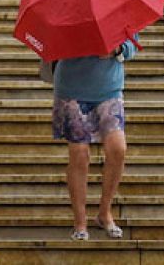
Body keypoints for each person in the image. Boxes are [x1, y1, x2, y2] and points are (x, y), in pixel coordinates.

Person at [51, 37, 138, 240]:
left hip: (109, 89)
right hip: (71, 90)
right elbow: (51, 47)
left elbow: (133, 44)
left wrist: (116, 48)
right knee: (79, 153)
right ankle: (80, 222)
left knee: (118, 148)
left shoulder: (117, 10)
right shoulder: (66, 12)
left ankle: (104, 212)